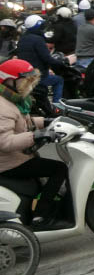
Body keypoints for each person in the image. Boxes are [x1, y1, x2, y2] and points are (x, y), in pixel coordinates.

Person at [0, 59, 69, 229]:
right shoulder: (3, 107)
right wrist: (35, 136)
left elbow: (26, 122)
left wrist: (47, 122)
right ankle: (41, 215)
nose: (29, 86)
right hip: (8, 163)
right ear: (8, 80)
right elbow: (5, 142)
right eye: (25, 81)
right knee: (59, 169)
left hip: (19, 156)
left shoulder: (14, 101)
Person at [18, 15, 64, 104]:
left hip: (26, 74)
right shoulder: (38, 40)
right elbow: (47, 58)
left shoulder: (22, 39)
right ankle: (57, 106)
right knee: (59, 80)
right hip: (37, 75)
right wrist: (60, 63)